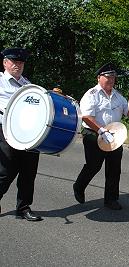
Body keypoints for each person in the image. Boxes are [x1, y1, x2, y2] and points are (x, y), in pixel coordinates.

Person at [73, 62, 129, 210]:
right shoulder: (91, 94)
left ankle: (111, 199)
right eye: (108, 77)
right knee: (94, 165)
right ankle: (79, 186)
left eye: (113, 77)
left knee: (114, 167)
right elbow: (86, 117)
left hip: (114, 135)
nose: (111, 80)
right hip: (94, 133)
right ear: (99, 77)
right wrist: (101, 131)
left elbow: (128, 112)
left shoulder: (118, 96)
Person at [0, 47, 42, 221]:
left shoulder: (28, 85)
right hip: (7, 131)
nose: (17, 65)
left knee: (28, 172)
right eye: (14, 61)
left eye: (21, 62)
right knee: (5, 172)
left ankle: (24, 208)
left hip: (29, 133)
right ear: (5, 63)